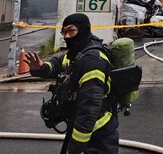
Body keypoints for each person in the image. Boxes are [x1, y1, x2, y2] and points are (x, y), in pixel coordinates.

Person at [24, 13, 119, 154]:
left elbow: (89, 109)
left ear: (83, 30)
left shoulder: (92, 61)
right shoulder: (80, 52)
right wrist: (42, 68)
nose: (67, 36)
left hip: (96, 135)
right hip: (81, 129)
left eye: (71, 30)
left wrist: (76, 148)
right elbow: (60, 62)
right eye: (64, 32)